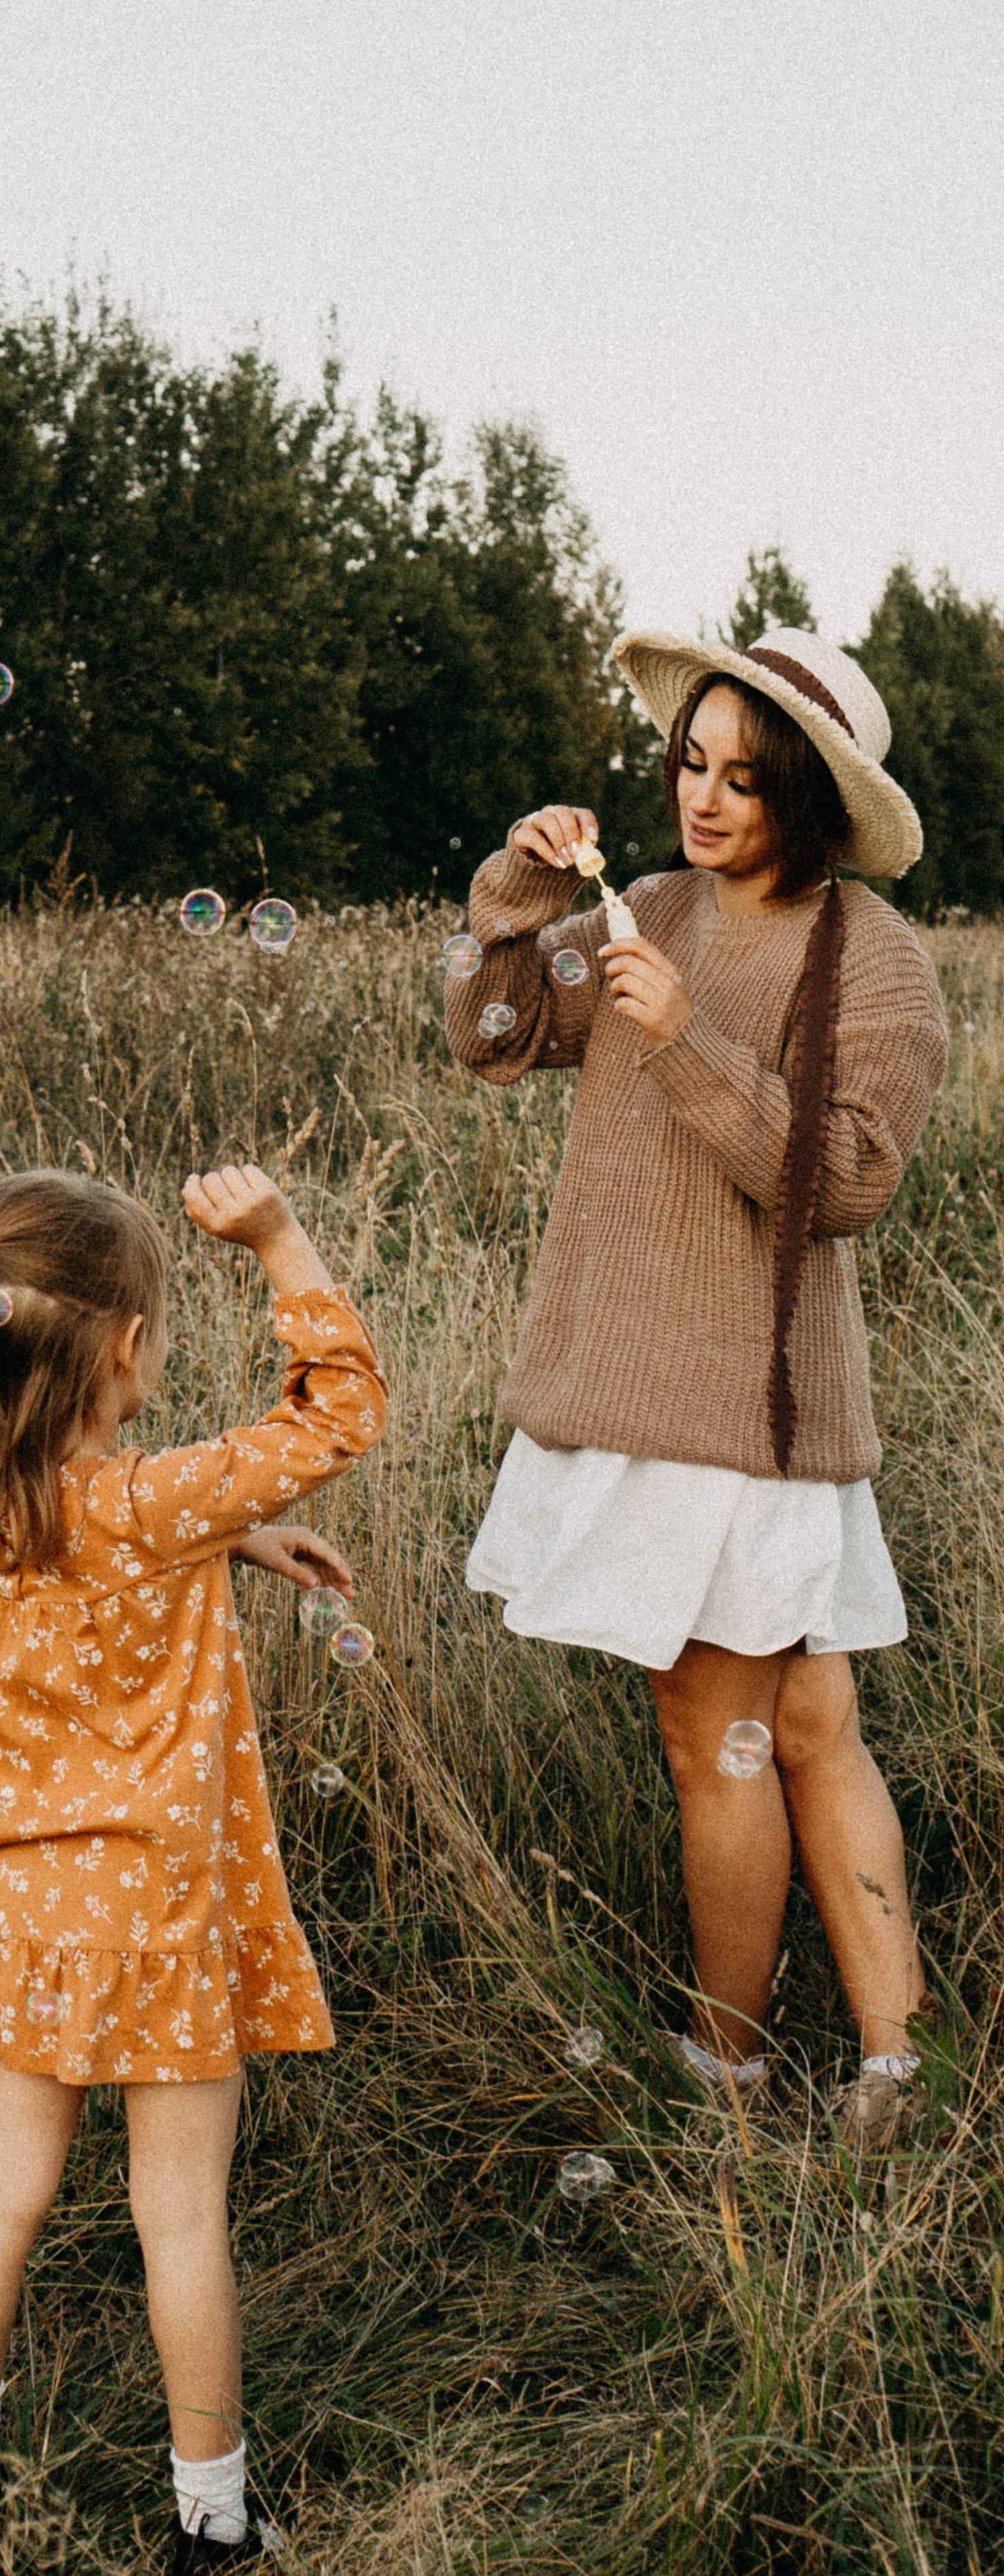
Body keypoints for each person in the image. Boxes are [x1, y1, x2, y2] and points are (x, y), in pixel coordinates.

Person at [447, 626, 946, 2155]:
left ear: (810, 793)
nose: (703, 798)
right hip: (630, 1382)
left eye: (744, 775)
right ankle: (891, 2066)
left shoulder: (871, 956)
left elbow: (849, 1182)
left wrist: (680, 1043)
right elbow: (488, 1037)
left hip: (743, 1412)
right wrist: (514, 904)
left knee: (709, 1736)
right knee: (804, 1721)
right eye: (688, 762)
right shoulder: (640, 906)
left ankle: (722, 2075)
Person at [0, 1166, 385, 2573]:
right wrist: (282, 1237)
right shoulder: (155, 1503)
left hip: (27, 1916)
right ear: (122, 1351)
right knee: (178, 2220)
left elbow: (94, 1540)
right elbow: (338, 1409)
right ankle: (212, 2519)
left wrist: (228, 1537)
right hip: (163, 1918)